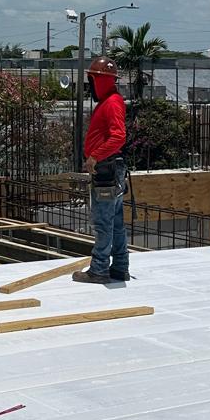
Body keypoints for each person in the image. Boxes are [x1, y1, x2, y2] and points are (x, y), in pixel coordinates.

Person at [74, 54, 130, 285]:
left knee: (103, 222)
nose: (91, 85)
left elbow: (118, 136)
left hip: (106, 169)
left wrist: (94, 157)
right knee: (115, 221)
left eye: (93, 80)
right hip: (111, 168)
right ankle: (119, 268)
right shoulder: (110, 102)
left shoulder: (112, 103)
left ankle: (99, 270)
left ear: (101, 80)